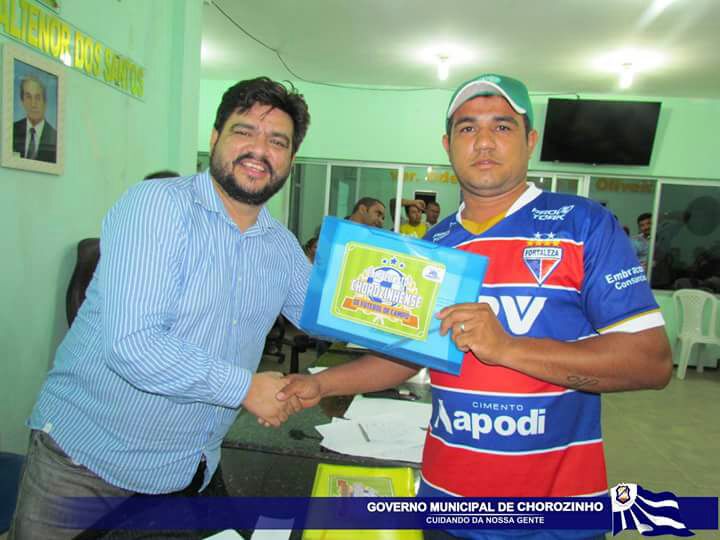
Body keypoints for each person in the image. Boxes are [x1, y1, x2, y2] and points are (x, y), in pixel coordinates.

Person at [279, 73, 672, 540]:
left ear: (530, 141)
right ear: (448, 145)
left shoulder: (583, 226)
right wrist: (320, 384)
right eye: (467, 128)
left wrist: (506, 347)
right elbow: (408, 354)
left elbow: (650, 362)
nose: (484, 141)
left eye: (502, 126)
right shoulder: (435, 246)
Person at [10, 76, 311, 539]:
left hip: (187, 471)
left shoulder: (281, 247)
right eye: (244, 131)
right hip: (85, 466)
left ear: (290, 159)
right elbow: (134, 345)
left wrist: (416, 295)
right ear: (215, 137)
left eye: (277, 141)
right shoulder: (156, 207)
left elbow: (334, 315)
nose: (259, 149)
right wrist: (245, 388)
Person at [12, 75, 57, 163]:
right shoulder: (12, 130)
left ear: (45, 102)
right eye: (28, 97)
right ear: (22, 101)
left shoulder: (55, 137)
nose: (33, 104)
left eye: (38, 97)